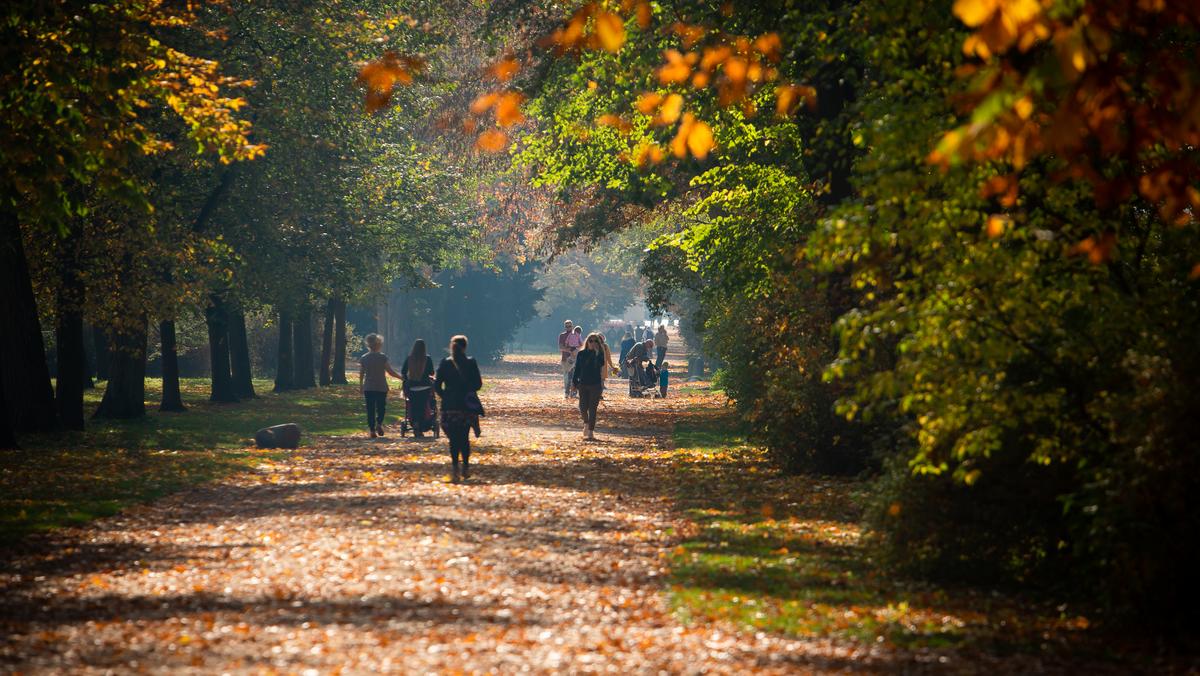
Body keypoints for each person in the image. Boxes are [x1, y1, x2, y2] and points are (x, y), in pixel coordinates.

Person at [435, 334, 483, 483]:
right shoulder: (471, 362)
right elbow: (478, 384)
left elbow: (436, 385)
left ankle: (455, 467)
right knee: (464, 437)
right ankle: (466, 467)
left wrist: (445, 396)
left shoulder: (445, 363)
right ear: (465, 347)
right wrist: (468, 390)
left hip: (449, 407)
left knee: (453, 439)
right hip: (466, 407)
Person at [359, 333, 402, 439]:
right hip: (381, 387)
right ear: (378, 345)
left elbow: (361, 373)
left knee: (370, 409)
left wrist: (361, 386)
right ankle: (379, 423)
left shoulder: (364, 358)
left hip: (369, 387)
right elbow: (390, 372)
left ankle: (372, 430)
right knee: (381, 407)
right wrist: (401, 377)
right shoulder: (382, 357)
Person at [572, 332, 607, 439]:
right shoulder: (581, 354)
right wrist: (574, 382)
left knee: (592, 409)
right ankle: (586, 423)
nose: (593, 343)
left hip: (595, 384)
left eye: (595, 341)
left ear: (598, 343)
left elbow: (601, 364)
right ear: (587, 342)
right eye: (590, 341)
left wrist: (597, 353)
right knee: (582, 407)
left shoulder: (600, 354)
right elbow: (577, 368)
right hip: (583, 384)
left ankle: (591, 431)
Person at [402, 338, 436, 438]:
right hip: (425, 387)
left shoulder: (409, 358)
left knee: (413, 405)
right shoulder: (427, 358)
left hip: (412, 387)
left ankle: (415, 422)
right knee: (423, 405)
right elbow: (432, 372)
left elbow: (403, 371)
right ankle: (421, 425)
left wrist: (406, 379)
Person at [558, 319, 582, 399]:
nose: (568, 327)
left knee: (575, 376)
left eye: (570, 326)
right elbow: (561, 347)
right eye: (567, 326)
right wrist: (570, 350)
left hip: (575, 358)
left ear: (572, 326)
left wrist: (576, 350)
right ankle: (567, 391)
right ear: (565, 327)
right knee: (566, 377)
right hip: (565, 359)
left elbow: (581, 345)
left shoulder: (576, 334)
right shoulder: (562, 335)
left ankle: (573, 392)